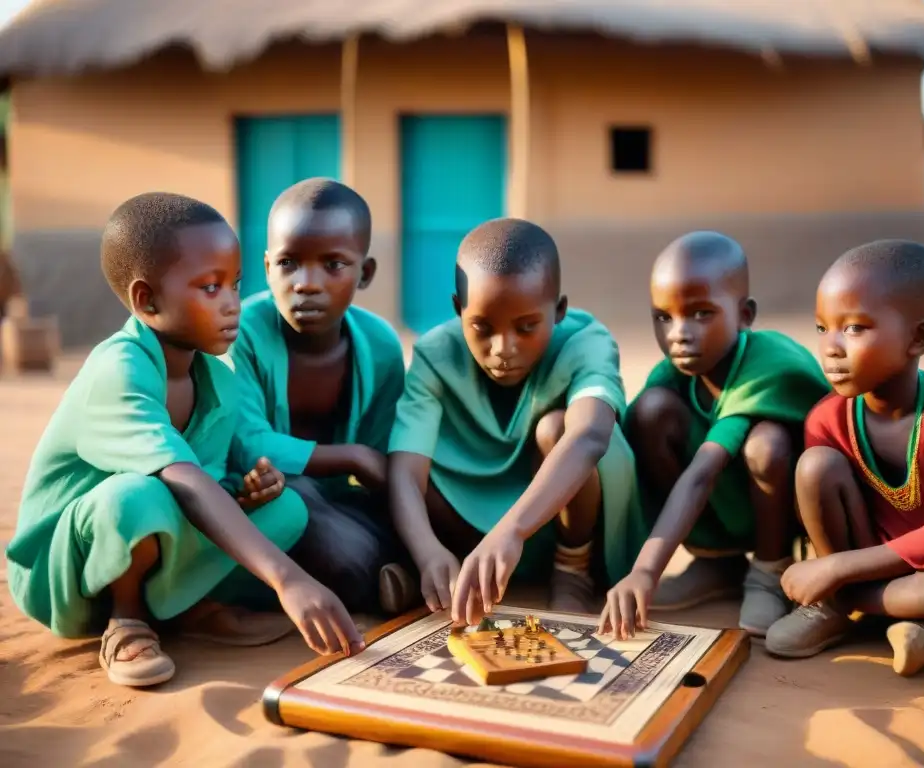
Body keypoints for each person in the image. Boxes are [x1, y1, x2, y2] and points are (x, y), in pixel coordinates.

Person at [5, 192, 364, 688]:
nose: (233, 304)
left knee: (288, 510)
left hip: (160, 538)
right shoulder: (119, 369)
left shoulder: (216, 377)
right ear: (147, 300)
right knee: (137, 493)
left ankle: (185, 608)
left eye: (236, 285)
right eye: (211, 287)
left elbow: (225, 470)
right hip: (67, 574)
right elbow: (183, 479)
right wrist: (289, 579)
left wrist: (252, 484)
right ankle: (127, 621)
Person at [767, 239, 924, 676]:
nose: (830, 347)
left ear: (917, 337)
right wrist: (836, 562)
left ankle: (849, 604)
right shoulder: (828, 418)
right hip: (885, 561)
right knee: (815, 466)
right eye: (821, 327)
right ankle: (907, 625)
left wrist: (835, 570)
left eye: (853, 328)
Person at [387, 217, 647, 624]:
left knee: (556, 429)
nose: (503, 349)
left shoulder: (587, 341)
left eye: (526, 327)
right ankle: (440, 569)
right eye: (482, 327)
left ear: (559, 310)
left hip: (551, 521)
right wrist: (427, 550)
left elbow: (590, 435)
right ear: (458, 310)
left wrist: (511, 531)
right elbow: (406, 468)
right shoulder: (435, 354)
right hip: (477, 528)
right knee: (380, 465)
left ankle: (571, 569)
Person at [599, 232, 830, 640]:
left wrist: (644, 572)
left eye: (701, 314)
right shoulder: (674, 375)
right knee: (651, 412)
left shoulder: (770, 364)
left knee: (766, 444)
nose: (678, 334)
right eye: (663, 317)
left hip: (786, 507)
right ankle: (717, 562)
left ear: (745, 314)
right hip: (722, 503)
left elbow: (703, 472)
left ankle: (769, 570)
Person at [229, 177, 416, 615]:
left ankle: (389, 571)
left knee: (417, 508)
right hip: (260, 498)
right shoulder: (241, 335)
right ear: (267, 266)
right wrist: (350, 457)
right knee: (310, 518)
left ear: (364, 273)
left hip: (338, 502)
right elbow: (246, 441)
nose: (307, 284)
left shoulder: (380, 345)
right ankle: (380, 578)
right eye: (289, 263)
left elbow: (388, 455)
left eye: (333, 265)